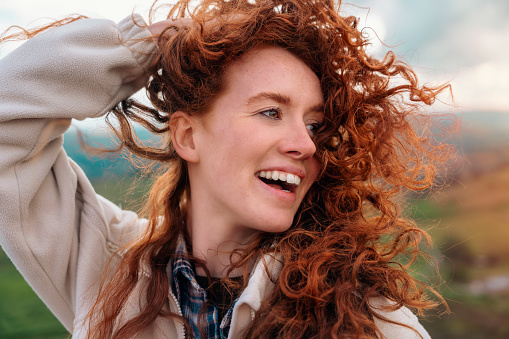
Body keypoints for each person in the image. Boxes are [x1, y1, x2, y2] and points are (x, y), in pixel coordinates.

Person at [0, 0, 453, 338]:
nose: (303, 144)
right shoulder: (107, 265)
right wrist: (151, 46)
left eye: (314, 124)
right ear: (188, 136)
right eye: (271, 112)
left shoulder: (368, 321)